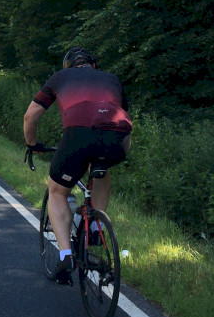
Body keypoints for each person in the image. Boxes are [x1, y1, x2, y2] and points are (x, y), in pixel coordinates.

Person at [23, 47, 132, 284]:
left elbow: (31, 116)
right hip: (118, 138)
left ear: (68, 66)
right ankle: (95, 226)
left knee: (57, 190)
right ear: (93, 65)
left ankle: (65, 256)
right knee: (102, 171)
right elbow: (123, 115)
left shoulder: (60, 78)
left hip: (78, 136)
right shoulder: (112, 79)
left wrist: (32, 144)